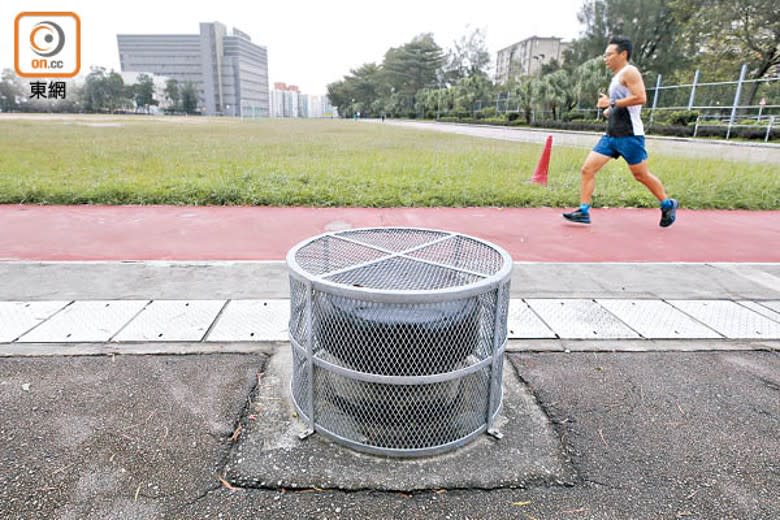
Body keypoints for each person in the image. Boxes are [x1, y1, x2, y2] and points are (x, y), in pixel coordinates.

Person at [563, 35, 678, 227]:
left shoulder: (630, 72)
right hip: (611, 136)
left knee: (641, 175)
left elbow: (641, 98)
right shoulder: (617, 77)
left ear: (623, 54)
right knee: (587, 169)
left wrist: (611, 102)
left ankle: (667, 203)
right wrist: (610, 110)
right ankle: (583, 210)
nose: (605, 58)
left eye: (609, 55)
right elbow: (623, 103)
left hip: (630, 136)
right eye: (605, 55)